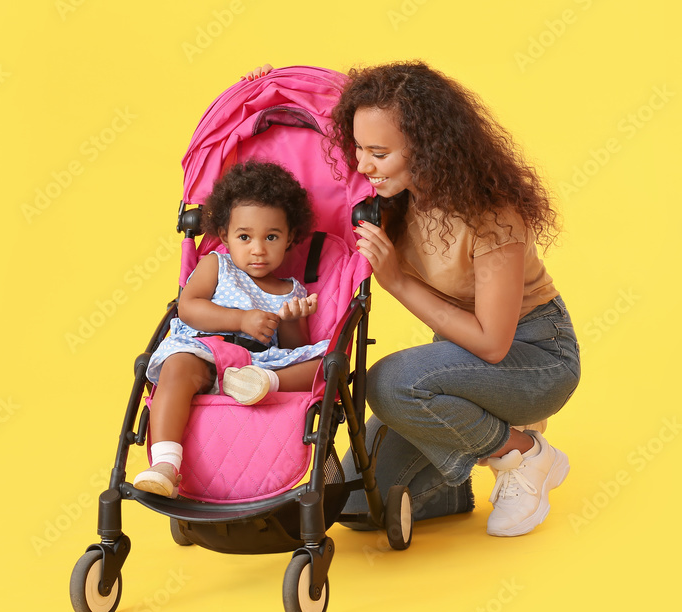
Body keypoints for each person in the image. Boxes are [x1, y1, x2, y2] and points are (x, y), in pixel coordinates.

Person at [245, 62, 580, 536]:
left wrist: (398, 282)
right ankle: (456, 485)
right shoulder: (389, 198)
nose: (363, 164)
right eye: (358, 147)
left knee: (388, 384)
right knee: (360, 504)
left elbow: (492, 345)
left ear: (425, 148)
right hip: (459, 362)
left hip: (533, 356)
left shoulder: (491, 214)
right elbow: (309, 176)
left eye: (378, 152)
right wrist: (266, 92)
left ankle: (522, 454)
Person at [134, 160, 327, 498]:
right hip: (207, 352)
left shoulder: (291, 289)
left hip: (257, 366)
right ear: (224, 236)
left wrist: (294, 319)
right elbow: (188, 307)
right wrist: (240, 320)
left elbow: (294, 348)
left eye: (271, 237)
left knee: (324, 363)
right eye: (244, 236)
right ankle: (165, 464)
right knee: (176, 366)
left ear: (290, 237)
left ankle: (263, 383)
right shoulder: (216, 265)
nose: (258, 248)